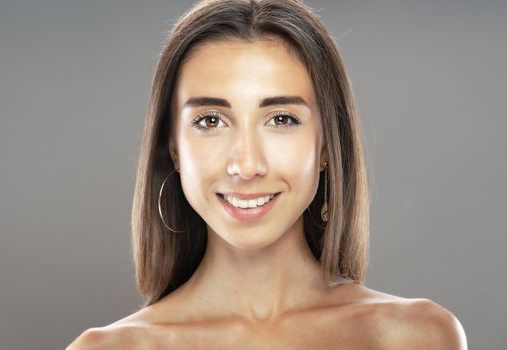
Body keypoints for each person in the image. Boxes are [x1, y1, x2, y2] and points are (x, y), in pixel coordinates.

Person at [67, 0, 467, 348]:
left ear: (327, 146)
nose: (246, 166)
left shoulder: (418, 338)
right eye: (210, 121)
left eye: (280, 118)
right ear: (173, 148)